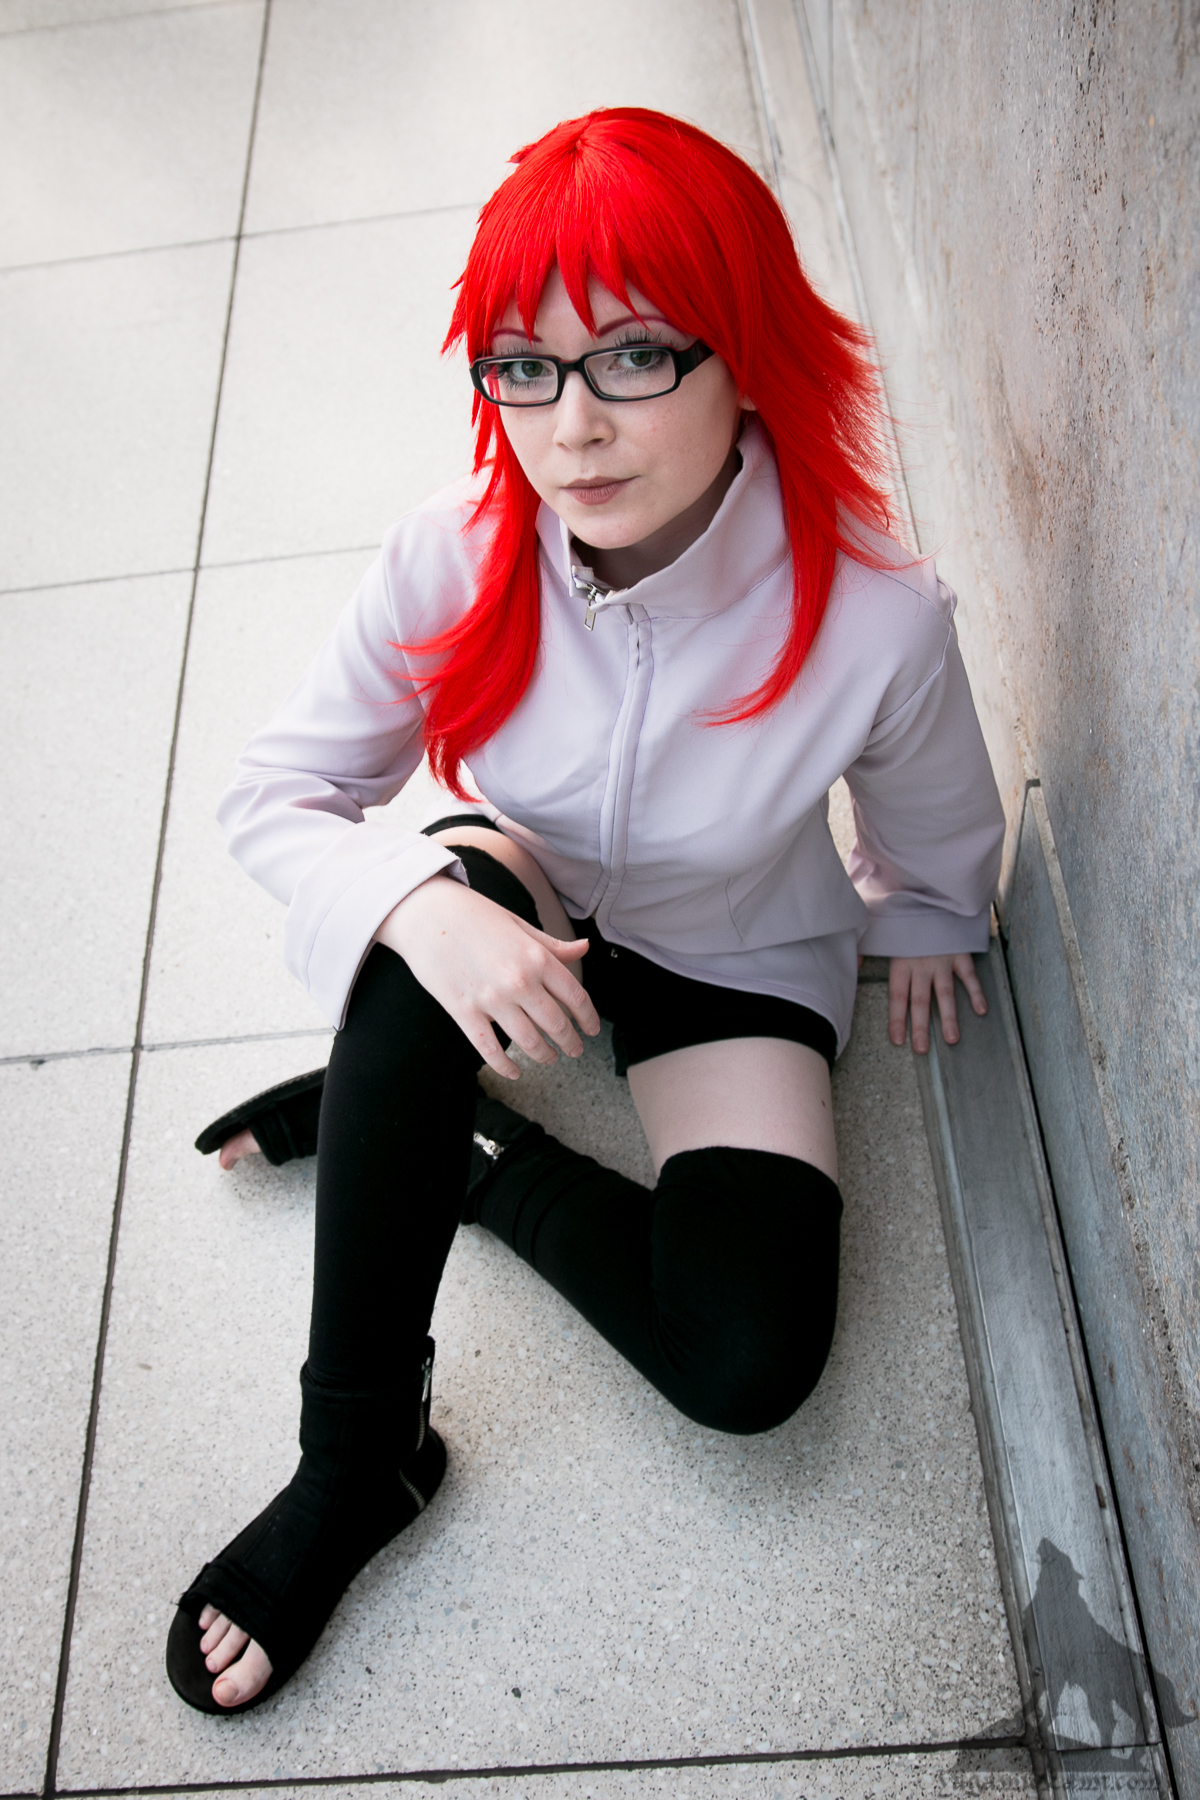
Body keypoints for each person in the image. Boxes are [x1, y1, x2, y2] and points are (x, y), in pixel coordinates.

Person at [167, 107, 1004, 1717]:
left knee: (745, 1365)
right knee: (413, 948)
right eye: (524, 367)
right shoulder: (455, 552)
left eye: (632, 356)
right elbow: (274, 795)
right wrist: (424, 905)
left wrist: (925, 915)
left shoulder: (874, 615)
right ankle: (358, 1462)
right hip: (528, 879)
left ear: (748, 350)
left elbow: (935, 827)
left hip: (732, 945)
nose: (575, 427)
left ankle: (459, 1146)